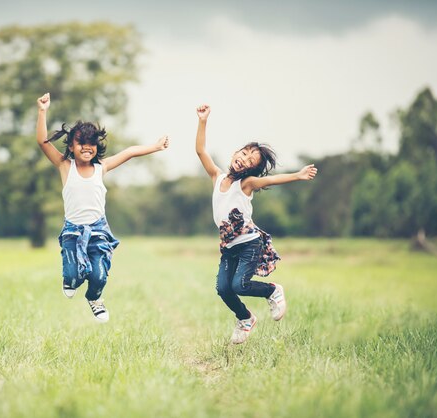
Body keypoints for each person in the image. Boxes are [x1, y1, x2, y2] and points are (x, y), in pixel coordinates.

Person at [36, 93, 169, 323]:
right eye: (81, 143)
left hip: (98, 230)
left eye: (92, 144)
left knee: (98, 275)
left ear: (97, 146)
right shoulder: (64, 166)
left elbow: (129, 152)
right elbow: (42, 142)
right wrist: (42, 111)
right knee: (73, 276)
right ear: (71, 145)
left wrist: (155, 147)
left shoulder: (102, 168)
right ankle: (69, 279)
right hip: (73, 231)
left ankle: (94, 298)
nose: (87, 148)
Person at [194, 104, 317, 344]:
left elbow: (272, 179)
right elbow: (200, 150)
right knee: (224, 289)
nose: (244, 160)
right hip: (229, 247)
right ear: (235, 153)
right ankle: (245, 318)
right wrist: (203, 121)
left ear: (252, 170)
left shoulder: (247, 183)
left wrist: (297, 175)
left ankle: (273, 291)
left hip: (250, 244)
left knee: (240, 284)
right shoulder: (216, 177)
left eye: (251, 161)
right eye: (244, 153)